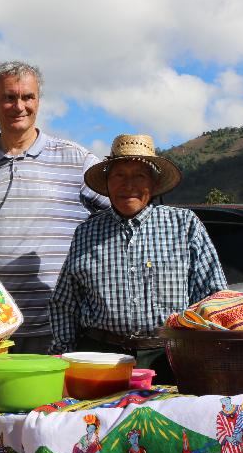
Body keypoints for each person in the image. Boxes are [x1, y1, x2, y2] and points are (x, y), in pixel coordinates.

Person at [0, 61, 109, 354]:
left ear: (38, 101)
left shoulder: (77, 160)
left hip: (59, 326)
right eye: (9, 97)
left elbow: (116, 221)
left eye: (27, 97)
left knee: (54, 401)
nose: (19, 106)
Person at [49, 133, 227, 383]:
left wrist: (209, 356)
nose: (128, 185)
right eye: (119, 175)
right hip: (101, 358)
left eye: (139, 176)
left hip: (170, 357)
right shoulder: (86, 231)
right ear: (107, 183)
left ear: (153, 185)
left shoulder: (184, 225)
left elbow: (214, 296)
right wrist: (64, 358)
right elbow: (64, 302)